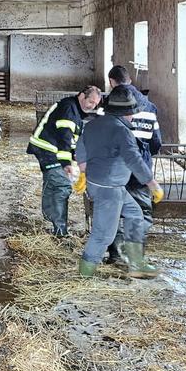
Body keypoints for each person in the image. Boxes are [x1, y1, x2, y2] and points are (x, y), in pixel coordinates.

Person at [75, 86, 162, 278]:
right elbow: (134, 159)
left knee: (135, 215)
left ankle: (136, 263)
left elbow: (80, 146)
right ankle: (85, 274)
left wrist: (83, 170)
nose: (132, 117)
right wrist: (151, 183)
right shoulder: (122, 132)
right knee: (103, 234)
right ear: (125, 113)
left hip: (101, 184)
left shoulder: (92, 124)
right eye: (131, 113)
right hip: (110, 189)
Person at [104, 65, 162, 266]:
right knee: (141, 213)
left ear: (112, 81)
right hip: (139, 173)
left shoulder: (109, 105)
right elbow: (156, 143)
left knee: (115, 212)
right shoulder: (150, 106)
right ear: (129, 79)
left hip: (114, 171)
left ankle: (116, 255)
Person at [27, 85, 102, 239]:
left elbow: (73, 141)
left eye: (95, 104)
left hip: (51, 149)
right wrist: (66, 163)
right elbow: (64, 137)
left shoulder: (75, 110)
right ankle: (60, 232)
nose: (92, 106)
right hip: (47, 149)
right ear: (82, 96)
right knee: (61, 185)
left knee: (56, 184)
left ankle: (51, 218)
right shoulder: (69, 109)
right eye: (91, 102)